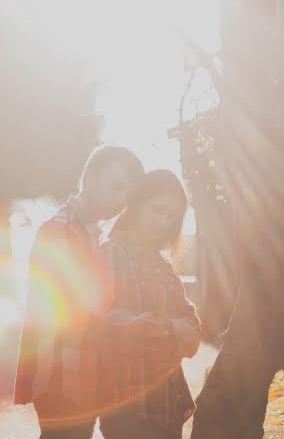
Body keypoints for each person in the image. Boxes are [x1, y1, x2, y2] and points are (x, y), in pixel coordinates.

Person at [14, 145, 145, 439]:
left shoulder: (94, 235)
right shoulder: (58, 232)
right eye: (116, 186)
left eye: (128, 195)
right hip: (60, 375)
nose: (120, 201)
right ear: (89, 177)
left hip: (84, 375)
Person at [94, 169, 201, 439]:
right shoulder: (112, 253)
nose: (165, 221)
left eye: (172, 217)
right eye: (158, 210)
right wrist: (168, 326)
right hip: (129, 408)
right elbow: (109, 324)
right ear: (138, 205)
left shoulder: (162, 264)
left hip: (168, 403)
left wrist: (160, 327)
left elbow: (193, 332)